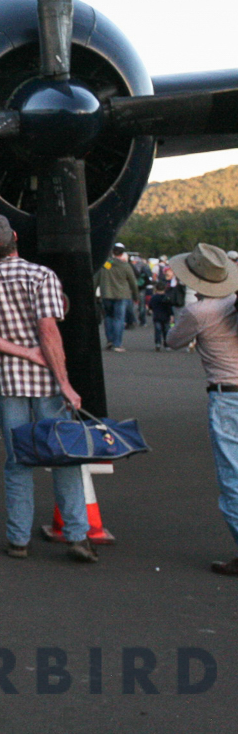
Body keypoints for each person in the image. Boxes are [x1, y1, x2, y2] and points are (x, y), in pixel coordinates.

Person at [0, 213, 95, 563]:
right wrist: (65, 383)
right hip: (47, 382)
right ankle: (77, 536)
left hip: (7, 382)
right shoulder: (41, 276)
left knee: (17, 461)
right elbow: (48, 331)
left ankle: (18, 540)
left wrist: (20, 352)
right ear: (16, 237)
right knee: (64, 457)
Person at [163, 243, 238, 576]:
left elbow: (173, 341)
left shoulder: (199, 312)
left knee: (233, 479)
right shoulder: (233, 303)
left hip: (227, 397)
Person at [95, 243, 137, 353]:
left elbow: (97, 278)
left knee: (108, 317)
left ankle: (110, 340)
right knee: (119, 319)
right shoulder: (125, 266)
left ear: (112, 251)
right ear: (123, 253)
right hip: (121, 295)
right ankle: (117, 343)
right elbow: (133, 282)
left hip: (106, 294)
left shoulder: (106, 264)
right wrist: (136, 296)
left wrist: (93, 292)